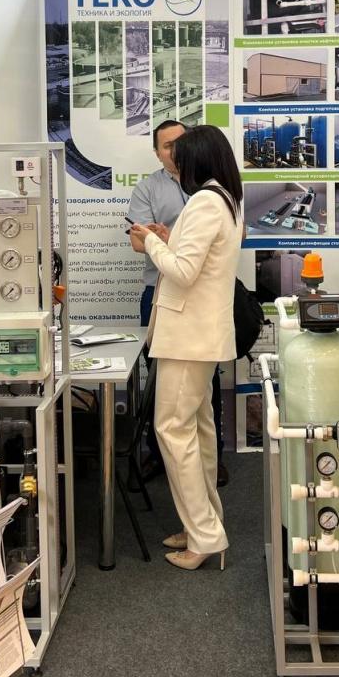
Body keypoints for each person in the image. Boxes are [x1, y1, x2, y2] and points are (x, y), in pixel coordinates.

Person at [130, 125, 243, 570]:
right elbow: (198, 260)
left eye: (181, 154)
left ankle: (205, 535)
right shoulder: (225, 199)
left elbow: (182, 271)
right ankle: (204, 524)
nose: (175, 161)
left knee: (173, 431)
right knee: (197, 431)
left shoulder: (203, 202)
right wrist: (167, 238)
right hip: (201, 337)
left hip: (187, 338)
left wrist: (151, 241)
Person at [127, 120, 228, 486]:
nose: (175, 150)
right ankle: (162, 457)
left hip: (198, 299)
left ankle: (210, 461)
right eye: (167, 145)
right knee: (161, 385)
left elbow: (199, 254)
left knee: (202, 390)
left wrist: (164, 240)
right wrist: (163, 240)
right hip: (160, 294)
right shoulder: (148, 188)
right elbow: (137, 241)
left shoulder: (208, 192)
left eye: (180, 142)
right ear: (157, 153)